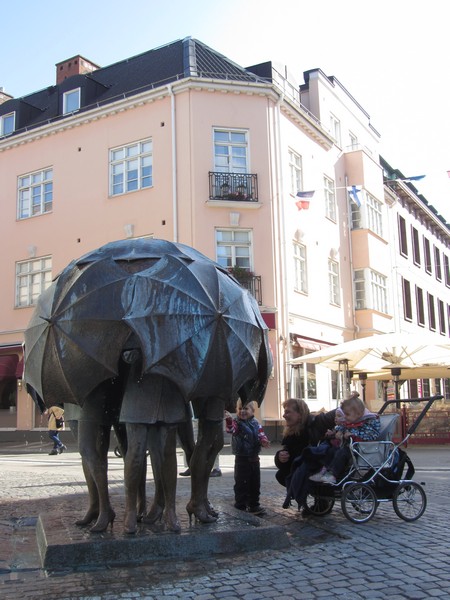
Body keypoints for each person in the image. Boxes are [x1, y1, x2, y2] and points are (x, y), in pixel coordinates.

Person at [309, 392, 380, 484]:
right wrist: (334, 432)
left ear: (358, 414)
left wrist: (353, 435)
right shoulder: (351, 420)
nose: (345, 417)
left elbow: (371, 435)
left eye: (347, 414)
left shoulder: (368, 422)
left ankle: (333, 474)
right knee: (331, 451)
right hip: (350, 447)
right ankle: (324, 470)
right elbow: (341, 427)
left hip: (362, 449)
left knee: (341, 453)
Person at [274, 398, 336, 487]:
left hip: (317, 470)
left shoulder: (316, 423)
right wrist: (280, 457)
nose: (284, 415)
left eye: (288, 412)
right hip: (302, 470)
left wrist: (349, 403)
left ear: (300, 414)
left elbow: (337, 412)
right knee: (281, 475)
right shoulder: (290, 432)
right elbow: (288, 456)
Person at [225, 400, 270, 515]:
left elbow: (261, 434)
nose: (243, 411)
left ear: (253, 411)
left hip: (254, 458)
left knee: (255, 483)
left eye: (246, 409)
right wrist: (229, 420)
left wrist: (264, 441)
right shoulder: (237, 423)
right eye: (240, 409)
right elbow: (231, 430)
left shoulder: (256, 423)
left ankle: (254, 504)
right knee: (241, 483)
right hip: (242, 458)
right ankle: (240, 504)